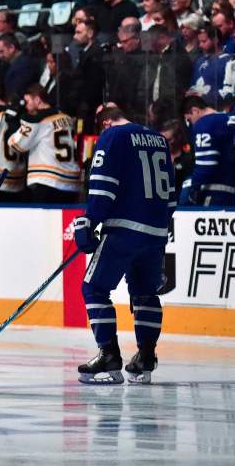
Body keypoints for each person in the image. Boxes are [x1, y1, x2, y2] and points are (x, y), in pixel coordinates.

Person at [73, 105, 175, 384]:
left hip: (123, 230)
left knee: (93, 287)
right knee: (145, 293)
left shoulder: (112, 137)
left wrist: (89, 220)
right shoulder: (159, 140)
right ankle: (145, 358)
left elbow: (103, 185)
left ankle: (108, 356)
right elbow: (171, 195)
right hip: (155, 231)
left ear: (106, 123)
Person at [7, 85, 81, 203]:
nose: (25, 105)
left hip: (47, 182)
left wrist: (12, 120)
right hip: (71, 183)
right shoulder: (66, 117)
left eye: (27, 101)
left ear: (37, 100)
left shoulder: (38, 120)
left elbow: (16, 145)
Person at [182, 96, 235, 206]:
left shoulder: (204, 124)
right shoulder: (230, 119)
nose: (191, 125)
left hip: (212, 194)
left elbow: (206, 165)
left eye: (189, 120)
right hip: (234, 192)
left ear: (195, 111)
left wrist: (193, 187)